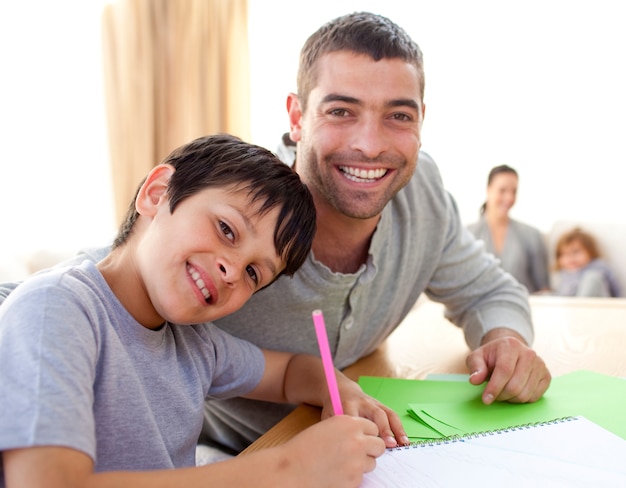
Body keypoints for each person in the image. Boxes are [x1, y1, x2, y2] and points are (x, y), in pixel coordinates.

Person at [0, 12, 551, 459]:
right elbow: (93, 290)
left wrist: (506, 340)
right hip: (226, 451)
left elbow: (488, 290)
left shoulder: (423, 191)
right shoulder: (195, 245)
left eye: (398, 116)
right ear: (297, 116)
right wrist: (283, 468)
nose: (369, 143)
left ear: (421, 121)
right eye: (341, 109)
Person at [0, 134, 408, 488]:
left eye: (254, 272)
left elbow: (288, 373)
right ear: (157, 193)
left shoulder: (195, 346)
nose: (232, 271)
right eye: (226, 229)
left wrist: (343, 391)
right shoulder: (55, 309)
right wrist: (286, 468)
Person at [467, 164, 550, 294]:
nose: (509, 198)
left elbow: (543, 288)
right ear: (488, 190)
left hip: (522, 308)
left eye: (514, 191)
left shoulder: (532, 235)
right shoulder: (468, 235)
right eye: (502, 190)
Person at [552, 227, 622, 297]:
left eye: (575, 252)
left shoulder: (599, 267)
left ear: (590, 251)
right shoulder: (564, 274)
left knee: (592, 278)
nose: (570, 258)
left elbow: (616, 290)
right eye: (564, 254)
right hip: (572, 305)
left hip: (600, 304)